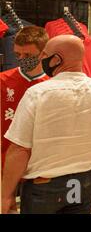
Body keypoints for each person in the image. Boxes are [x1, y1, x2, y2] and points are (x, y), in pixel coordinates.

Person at [1, 35, 91, 214]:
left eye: (45, 54)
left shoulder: (38, 93)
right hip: (86, 180)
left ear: (56, 59)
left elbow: (19, 150)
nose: (41, 59)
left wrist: (6, 194)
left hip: (45, 186)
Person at [1, 26, 49, 170]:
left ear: (43, 54)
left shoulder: (52, 85)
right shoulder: (3, 80)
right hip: (7, 162)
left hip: (40, 164)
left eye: (27, 56)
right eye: (17, 54)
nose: (21, 59)